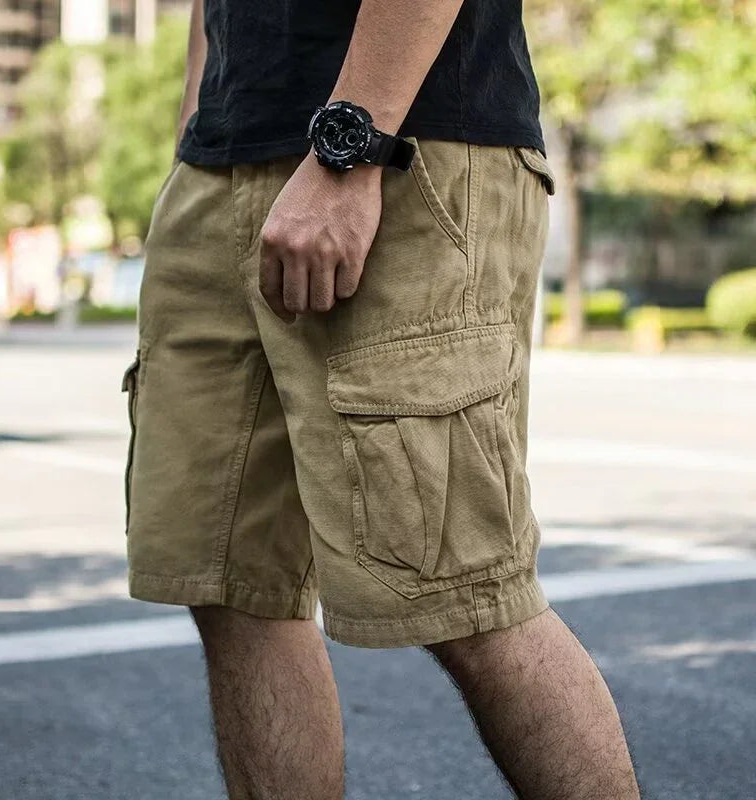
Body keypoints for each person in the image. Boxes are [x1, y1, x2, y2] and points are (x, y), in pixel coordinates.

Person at [122, 1, 640, 797]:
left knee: (466, 596)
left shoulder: (364, 148)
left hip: (400, 151)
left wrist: (351, 145)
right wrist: (195, 130)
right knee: (229, 584)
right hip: (220, 164)